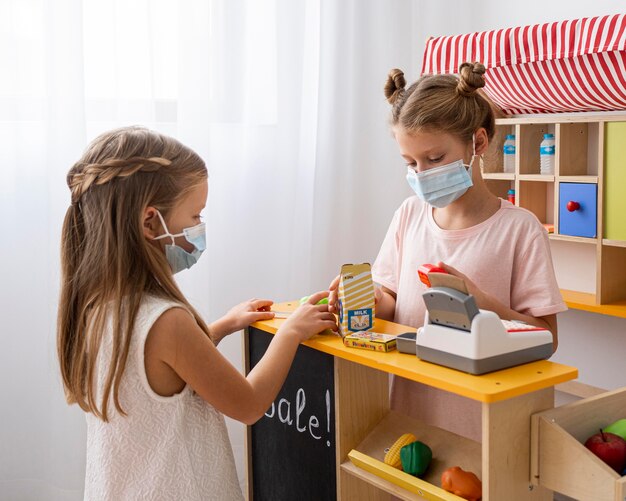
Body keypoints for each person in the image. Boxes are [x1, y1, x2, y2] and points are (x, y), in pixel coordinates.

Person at [57, 126, 337, 500]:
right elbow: (249, 404)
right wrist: (290, 332)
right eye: (195, 215)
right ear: (149, 221)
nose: (199, 229)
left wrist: (221, 326)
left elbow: (159, 372)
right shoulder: (167, 321)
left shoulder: (97, 307)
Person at [329, 62, 566, 441]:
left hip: (482, 421)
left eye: (434, 159)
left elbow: (546, 339)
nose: (421, 174)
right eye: (411, 163)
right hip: (411, 408)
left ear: (479, 143)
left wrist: (481, 301)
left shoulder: (520, 228)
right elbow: (391, 300)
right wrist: (360, 297)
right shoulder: (410, 214)